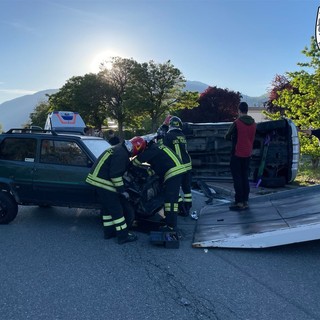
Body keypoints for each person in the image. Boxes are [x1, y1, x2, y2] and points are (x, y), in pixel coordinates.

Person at [86, 136, 147, 244]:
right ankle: (123, 236)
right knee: (117, 210)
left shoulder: (119, 148)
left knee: (107, 209)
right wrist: (122, 191)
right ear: (136, 149)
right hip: (103, 182)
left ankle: (109, 233)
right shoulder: (122, 154)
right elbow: (115, 176)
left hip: (97, 180)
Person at [132, 140, 186, 231]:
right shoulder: (157, 146)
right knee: (170, 196)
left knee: (170, 201)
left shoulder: (151, 150)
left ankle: (171, 226)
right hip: (176, 169)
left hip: (173, 172)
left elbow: (136, 162)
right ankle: (175, 216)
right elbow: (158, 164)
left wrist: (130, 164)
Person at [225, 102, 256, 211]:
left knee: (237, 178)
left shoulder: (237, 123)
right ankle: (245, 201)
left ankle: (239, 202)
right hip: (248, 154)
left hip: (237, 153)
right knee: (244, 177)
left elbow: (227, 136)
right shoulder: (253, 123)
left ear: (239, 110)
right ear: (247, 110)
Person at [161, 116, 193, 217]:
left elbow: (162, 145)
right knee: (186, 188)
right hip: (187, 165)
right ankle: (188, 206)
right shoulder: (182, 135)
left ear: (170, 125)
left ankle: (181, 208)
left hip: (177, 167)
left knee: (174, 188)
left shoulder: (168, 136)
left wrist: (163, 127)